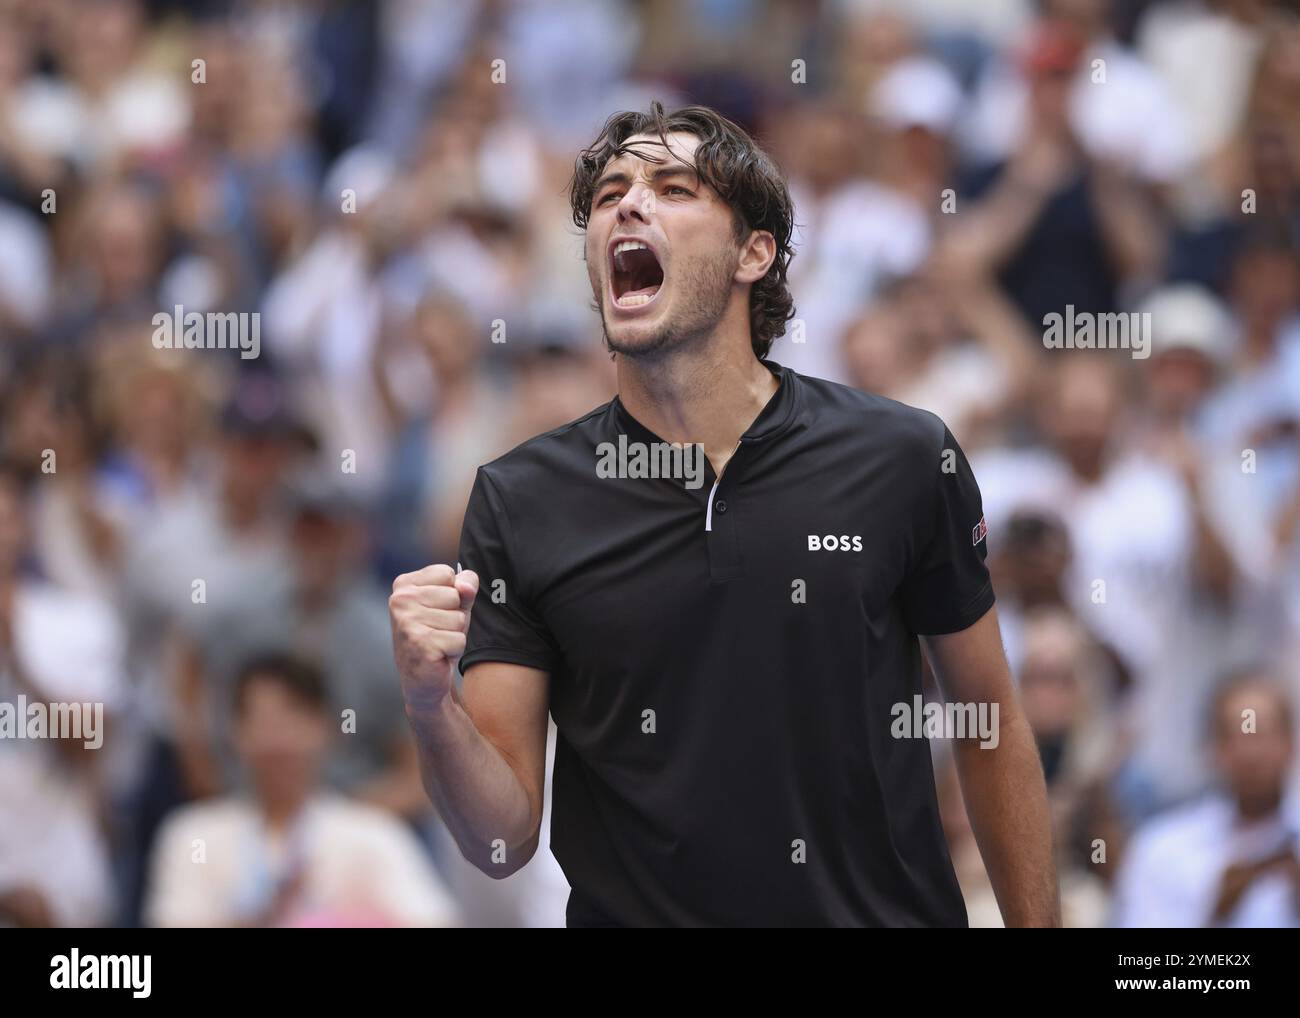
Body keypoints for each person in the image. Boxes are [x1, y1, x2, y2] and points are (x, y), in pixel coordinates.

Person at [388, 102, 1059, 927]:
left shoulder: (905, 456)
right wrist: (430, 707)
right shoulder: (520, 498)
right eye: (609, 196)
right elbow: (502, 839)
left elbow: (989, 727)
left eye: (674, 188)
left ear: (754, 252)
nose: (629, 205)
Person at [144, 653, 458, 928]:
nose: (278, 739)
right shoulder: (192, 835)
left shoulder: (372, 835)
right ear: (235, 731)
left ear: (327, 729)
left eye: (293, 718)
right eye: (263, 720)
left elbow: (433, 920)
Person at [1112, 670, 1300, 927]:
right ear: (1212, 749)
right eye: (1236, 737)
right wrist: (1212, 911)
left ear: (1290, 744)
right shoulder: (1162, 849)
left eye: (1263, 735)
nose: (1251, 754)